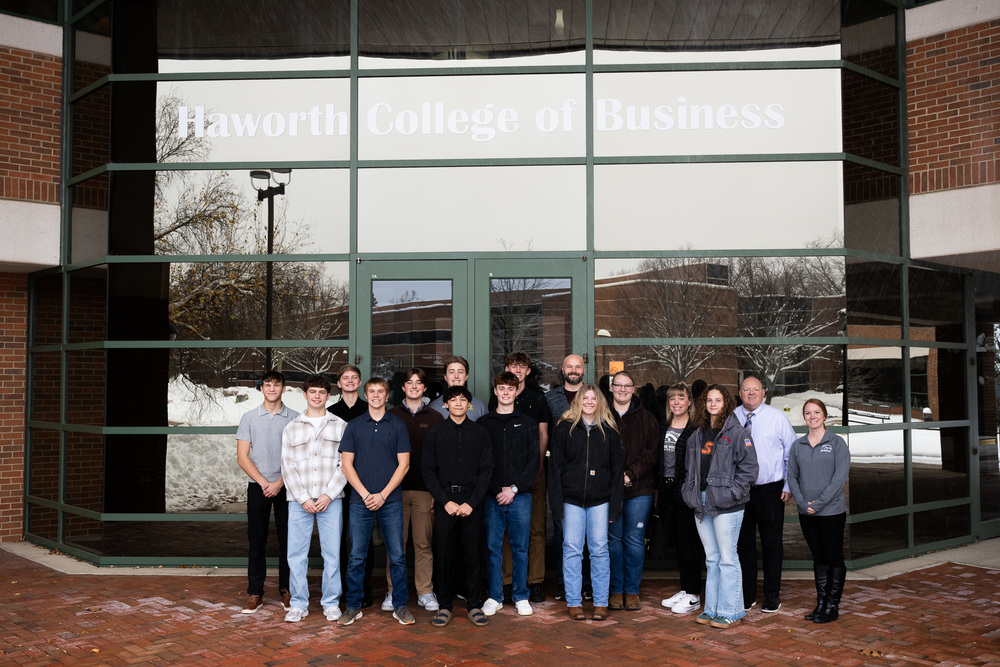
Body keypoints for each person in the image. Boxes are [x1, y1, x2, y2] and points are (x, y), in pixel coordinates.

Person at [682, 384, 758, 629]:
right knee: (712, 558)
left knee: (727, 558)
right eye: (709, 400)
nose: (713, 404)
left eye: (718, 400)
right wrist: (689, 492)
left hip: (727, 505)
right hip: (701, 502)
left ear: (726, 403)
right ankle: (712, 608)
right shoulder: (697, 434)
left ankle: (731, 611)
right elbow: (689, 470)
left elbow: (749, 469)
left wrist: (733, 493)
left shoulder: (736, 432)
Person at [338, 378, 413, 626]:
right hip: (361, 502)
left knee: (398, 556)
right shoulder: (354, 426)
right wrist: (365, 494)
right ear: (366, 394)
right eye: (372, 391)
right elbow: (346, 465)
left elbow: (404, 465)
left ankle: (400, 605)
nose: (376, 395)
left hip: (390, 501)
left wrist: (382, 495)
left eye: (381, 391)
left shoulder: (398, 425)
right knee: (357, 557)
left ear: (387, 395)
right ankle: (353, 606)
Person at [549, 385, 623, 622]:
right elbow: (555, 469)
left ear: (599, 402)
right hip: (571, 500)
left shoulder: (609, 432)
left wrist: (615, 506)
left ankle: (600, 602)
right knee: (572, 549)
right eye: (585, 398)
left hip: (600, 501)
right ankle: (574, 602)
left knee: (599, 549)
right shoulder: (564, 429)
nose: (589, 402)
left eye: (594, 398)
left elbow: (616, 472)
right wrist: (557, 504)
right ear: (578, 401)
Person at [422, 385, 494, 627]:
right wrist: (446, 501)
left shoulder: (480, 433)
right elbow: (428, 471)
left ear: (469, 405)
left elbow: (486, 471)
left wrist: (472, 502)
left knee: (473, 554)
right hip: (446, 502)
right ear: (446, 404)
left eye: (464, 400)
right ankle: (444, 606)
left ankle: (474, 605)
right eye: (454, 400)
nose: (459, 403)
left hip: (472, 502)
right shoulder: (435, 433)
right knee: (443, 555)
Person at [280, 375, 348, 623]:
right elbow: (287, 466)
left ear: (327, 396)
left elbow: (346, 465)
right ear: (305, 395)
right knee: (296, 555)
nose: (317, 396)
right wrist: (303, 498)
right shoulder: (292, 427)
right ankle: (298, 603)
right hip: (299, 501)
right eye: (312, 392)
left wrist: (329, 494)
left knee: (332, 553)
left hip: (332, 500)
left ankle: (331, 602)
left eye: (321, 392)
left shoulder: (340, 426)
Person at [487, 352, 552, 604]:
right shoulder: (494, 408)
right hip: (503, 479)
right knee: (503, 534)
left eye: (521, 366)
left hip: (531, 473)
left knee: (534, 530)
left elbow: (543, 436)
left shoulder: (537, 400)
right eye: (512, 365)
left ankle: (533, 582)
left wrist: (532, 473)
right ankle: (506, 582)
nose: (517, 369)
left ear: (527, 371)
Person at [381, 368, 444, 614]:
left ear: (425, 388)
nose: (414, 386)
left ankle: (425, 591)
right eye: (410, 382)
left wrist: (436, 493)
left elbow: (442, 459)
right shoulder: (391, 415)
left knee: (423, 544)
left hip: (424, 492)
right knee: (395, 545)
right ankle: (393, 591)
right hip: (394, 491)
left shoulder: (437, 417)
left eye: (419, 383)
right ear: (403, 388)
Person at [734, 372, 797, 613]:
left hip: (770, 491)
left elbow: (791, 454)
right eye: (746, 390)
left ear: (763, 393)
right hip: (740, 492)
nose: (751, 393)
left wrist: (788, 486)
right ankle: (748, 595)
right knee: (744, 546)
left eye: (755, 389)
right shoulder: (732, 417)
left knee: (772, 544)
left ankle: (772, 595)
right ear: (740, 394)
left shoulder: (777, 418)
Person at [479, 371, 540, 618]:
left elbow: (533, 461)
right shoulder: (484, 424)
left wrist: (513, 489)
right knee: (493, 548)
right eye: (501, 388)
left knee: (520, 548)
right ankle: (494, 596)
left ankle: (521, 596)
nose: (505, 393)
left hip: (520, 496)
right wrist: (497, 490)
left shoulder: (528, 423)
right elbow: (481, 463)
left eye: (510, 389)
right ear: (495, 392)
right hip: (492, 496)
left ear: (517, 392)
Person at [235, 370, 297, 614]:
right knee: (257, 542)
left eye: (277, 384)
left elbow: (297, 457)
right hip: (258, 486)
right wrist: (263, 482)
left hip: (287, 486)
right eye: (268, 384)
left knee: (288, 541)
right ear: (261, 388)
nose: (272, 388)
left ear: (283, 388)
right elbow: (242, 456)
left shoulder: (294, 417)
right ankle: (255, 593)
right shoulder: (249, 417)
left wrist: (280, 482)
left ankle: (287, 589)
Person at [787, 398, 849, 624]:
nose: (812, 417)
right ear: (804, 417)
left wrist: (819, 503)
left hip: (831, 512)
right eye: (807, 413)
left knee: (833, 557)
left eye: (816, 412)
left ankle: (832, 606)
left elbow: (839, 478)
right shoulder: (798, 445)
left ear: (824, 415)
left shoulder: (837, 443)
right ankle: (821, 603)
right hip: (807, 513)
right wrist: (803, 504)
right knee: (818, 557)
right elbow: (791, 476)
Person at [607, 370, 659, 611]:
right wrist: (615, 477)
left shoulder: (647, 418)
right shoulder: (601, 414)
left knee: (634, 540)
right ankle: (616, 590)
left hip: (640, 488)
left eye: (627, 386)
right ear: (611, 387)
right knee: (613, 540)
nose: (623, 390)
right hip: (609, 489)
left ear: (633, 389)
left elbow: (651, 452)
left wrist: (630, 473)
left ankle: (632, 590)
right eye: (619, 385)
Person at [328, 364, 375, 608]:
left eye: (354, 377)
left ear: (359, 382)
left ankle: (363, 589)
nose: (349, 381)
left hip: (362, 483)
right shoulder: (330, 411)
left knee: (362, 539)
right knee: (338, 540)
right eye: (345, 378)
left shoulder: (369, 410)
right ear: (339, 383)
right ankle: (341, 589)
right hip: (335, 485)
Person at [658, 383, 705, 615]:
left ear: (689, 402)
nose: (676, 402)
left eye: (680, 398)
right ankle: (685, 589)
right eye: (672, 399)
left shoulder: (696, 429)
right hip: (666, 491)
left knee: (690, 544)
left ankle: (694, 593)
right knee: (678, 543)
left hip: (685, 492)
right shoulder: (664, 426)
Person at [545, 354, 586, 602]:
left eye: (577, 366)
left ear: (584, 369)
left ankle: (587, 584)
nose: (573, 370)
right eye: (569, 366)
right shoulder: (550, 399)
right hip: (559, 472)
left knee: (590, 535)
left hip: (590, 473)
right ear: (562, 370)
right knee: (562, 529)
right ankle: (564, 583)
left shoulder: (594, 396)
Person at [428, 356, 489, 421]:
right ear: (445, 377)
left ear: (466, 376)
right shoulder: (434, 407)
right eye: (451, 372)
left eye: (460, 372)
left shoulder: (480, 407)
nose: (456, 376)